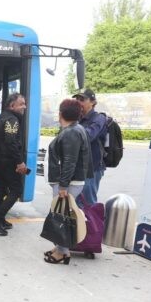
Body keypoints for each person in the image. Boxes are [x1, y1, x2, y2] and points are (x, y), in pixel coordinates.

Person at [44, 98, 93, 265]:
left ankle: (63, 252)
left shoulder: (71, 132)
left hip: (68, 183)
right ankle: (60, 248)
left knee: (63, 217)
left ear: (61, 113)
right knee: (62, 214)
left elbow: (70, 161)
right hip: (70, 181)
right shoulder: (75, 129)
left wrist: (63, 185)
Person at [0, 93, 28, 236]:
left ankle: (1, 219)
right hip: (9, 161)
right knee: (17, 189)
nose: (25, 107)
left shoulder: (1, 117)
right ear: (12, 105)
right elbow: (11, 142)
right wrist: (19, 162)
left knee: (1, 188)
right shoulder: (12, 120)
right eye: (21, 104)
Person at [73, 88, 107, 205]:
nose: (78, 102)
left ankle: (92, 224)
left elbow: (88, 136)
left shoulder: (99, 119)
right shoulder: (77, 119)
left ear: (92, 102)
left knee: (88, 203)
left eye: (82, 99)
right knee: (75, 203)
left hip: (93, 169)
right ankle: (78, 224)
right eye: (76, 99)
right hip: (78, 167)